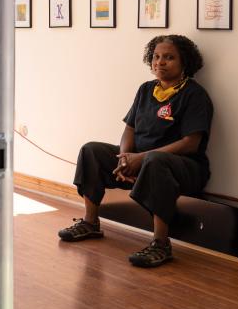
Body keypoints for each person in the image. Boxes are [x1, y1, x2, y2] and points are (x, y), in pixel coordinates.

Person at [57, 34, 214, 268]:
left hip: (183, 166)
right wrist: (124, 158)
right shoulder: (145, 90)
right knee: (91, 150)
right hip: (141, 160)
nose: (160, 62)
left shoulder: (195, 94)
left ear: (185, 63)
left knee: (155, 160)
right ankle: (90, 223)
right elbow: (129, 129)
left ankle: (161, 243)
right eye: (156, 57)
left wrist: (141, 158)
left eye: (169, 58)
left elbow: (191, 143)